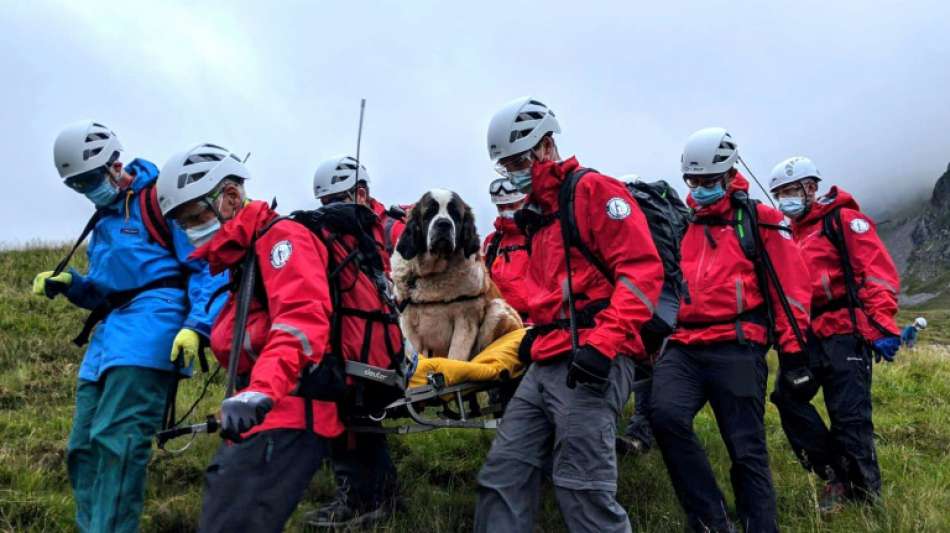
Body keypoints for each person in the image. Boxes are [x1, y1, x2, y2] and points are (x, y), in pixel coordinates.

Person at [156, 143, 404, 532]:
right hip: (267, 408)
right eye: (182, 223)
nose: (190, 231)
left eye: (195, 217)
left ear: (231, 196)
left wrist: (262, 390)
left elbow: (300, 322)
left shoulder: (281, 240)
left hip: (288, 408)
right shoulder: (245, 255)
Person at [474, 96, 664, 533]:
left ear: (546, 146)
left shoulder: (593, 192)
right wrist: (533, 335)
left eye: (519, 161)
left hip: (591, 359)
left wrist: (603, 346)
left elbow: (641, 274)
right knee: (504, 474)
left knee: (583, 489)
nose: (514, 172)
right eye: (506, 166)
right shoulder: (538, 213)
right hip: (547, 357)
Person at [33, 121, 223, 533]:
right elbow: (106, 291)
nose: (86, 189)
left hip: (152, 328)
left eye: (88, 179)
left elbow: (209, 266)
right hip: (108, 337)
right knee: (82, 446)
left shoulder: (162, 201)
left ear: (114, 165)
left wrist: (197, 326)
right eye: (75, 185)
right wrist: (72, 285)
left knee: (117, 439)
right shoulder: (103, 220)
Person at [649, 128, 811, 532]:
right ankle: (711, 519)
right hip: (684, 345)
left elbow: (791, 288)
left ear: (729, 173)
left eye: (708, 180)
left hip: (738, 345)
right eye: (693, 181)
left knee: (745, 448)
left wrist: (794, 353)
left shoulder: (759, 220)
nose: (700, 188)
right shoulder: (682, 224)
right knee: (664, 416)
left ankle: (760, 525)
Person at [768, 156, 902, 510]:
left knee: (849, 417)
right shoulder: (788, 233)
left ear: (811, 187)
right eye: (779, 194)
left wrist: (882, 325)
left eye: (789, 191)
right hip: (807, 335)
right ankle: (834, 473)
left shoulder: (843, 220)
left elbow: (876, 273)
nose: (784, 200)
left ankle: (866, 500)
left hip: (845, 331)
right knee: (787, 398)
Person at [306, 154, 402, 527]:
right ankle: (363, 497)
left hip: (381, 342)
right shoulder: (333, 231)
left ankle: (375, 499)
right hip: (350, 340)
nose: (329, 208)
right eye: (324, 202)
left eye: (335, 199)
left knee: (357, 419)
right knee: (348, 418)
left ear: (360, 193)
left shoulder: (389, 227)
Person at [313, 154, 405, 261]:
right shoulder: (328, 239)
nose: (330, 209)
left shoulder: (394, 231)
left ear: (360, 195)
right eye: (325, 204)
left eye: (336, 201)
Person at [483, 177, 531, 319]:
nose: (506, 211)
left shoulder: (541, 235)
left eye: (511, 205)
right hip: (500, 320)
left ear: (525, 201)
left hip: (536, 321)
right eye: (501, 207)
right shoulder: (492, 242)